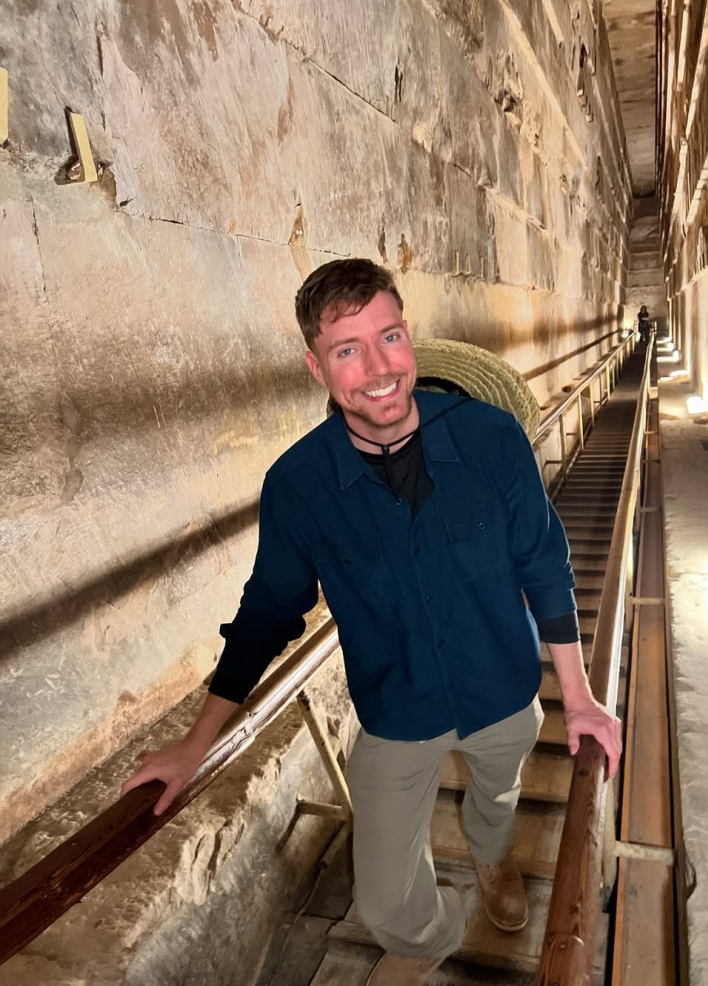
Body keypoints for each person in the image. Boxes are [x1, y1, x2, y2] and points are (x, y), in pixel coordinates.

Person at [123, 259, 621, 986]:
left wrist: (578, 697)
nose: (379, 367)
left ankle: (492, 855)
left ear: (408, 335)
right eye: (347, 350)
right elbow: (267, 614)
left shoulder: (491, 440)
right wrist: (199, 741)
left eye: (388, 337)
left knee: (498, 797)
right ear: (317, 366)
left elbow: (544, 564)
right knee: (384, 898)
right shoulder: (299, 484)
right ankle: (430, 934)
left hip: (502, 690)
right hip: (398, 710)